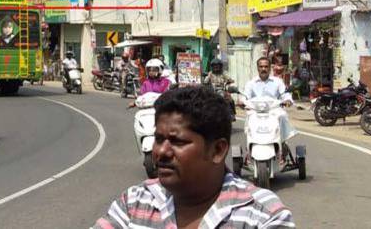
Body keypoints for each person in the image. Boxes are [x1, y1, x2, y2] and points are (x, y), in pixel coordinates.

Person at [94, 86, 294, 228]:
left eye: (177, 142)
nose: (161, 151)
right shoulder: (135, 202)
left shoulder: (263, 214)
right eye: (158, 139)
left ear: (217, 150)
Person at [242, 57, 297, 143]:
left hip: (274, 111)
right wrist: (241, 102)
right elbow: (245, 97)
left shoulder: (278, 82)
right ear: (257, 68)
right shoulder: (251, 83)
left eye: (266, 66)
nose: (263, 69)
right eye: (261, 66)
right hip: (256, 112)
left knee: (282, 115)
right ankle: (251, 145)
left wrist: (288, 100)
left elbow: (285, 94)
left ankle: (282, 143)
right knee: (249, 119)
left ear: (269, 68)